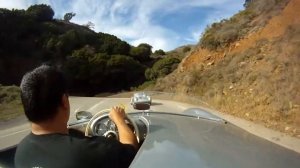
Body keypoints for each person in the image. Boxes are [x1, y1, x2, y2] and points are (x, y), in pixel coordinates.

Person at [14, 65, 138, 168]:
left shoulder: (21, 151)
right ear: (64, 101)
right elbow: (131, 150)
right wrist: (119, 120)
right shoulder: (88, 152)